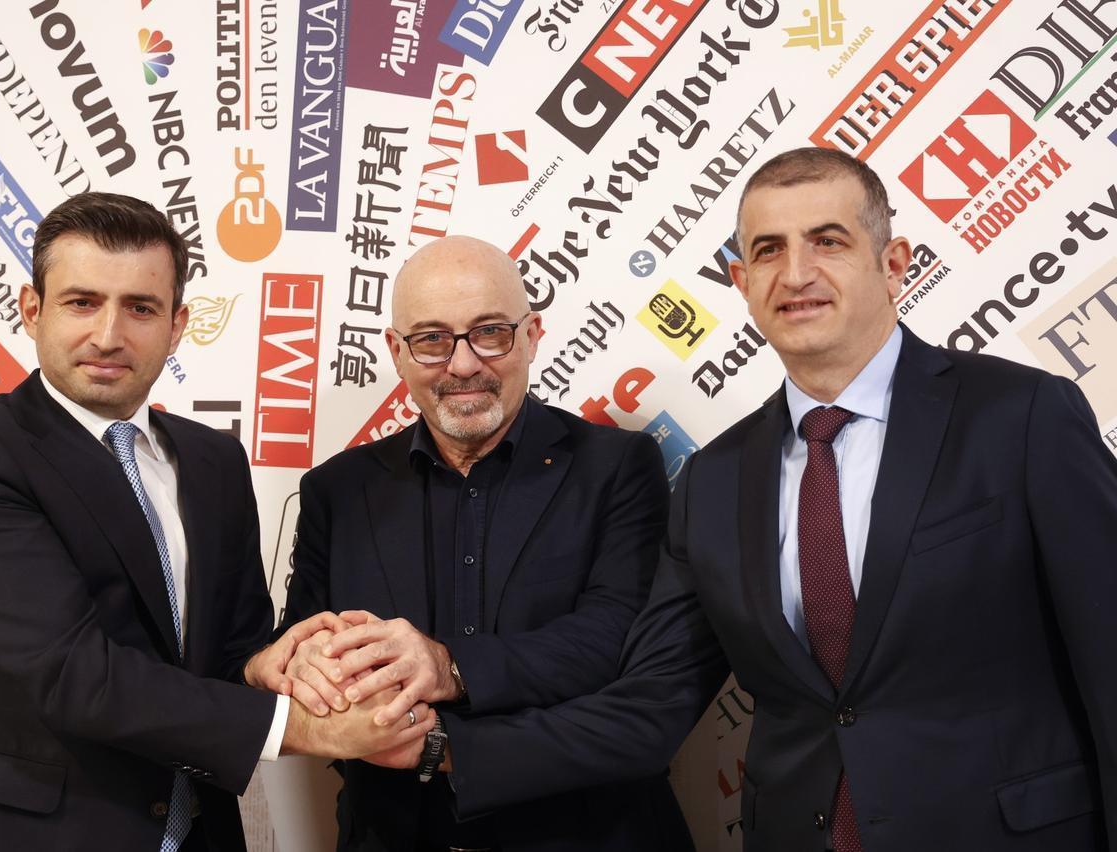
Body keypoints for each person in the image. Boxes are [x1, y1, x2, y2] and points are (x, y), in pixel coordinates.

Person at [424, 148, 1117, 851]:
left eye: (828, 241)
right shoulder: (713, 483)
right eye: (767, 250)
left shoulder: (1021, 416)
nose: (795, 273)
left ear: (894, 263)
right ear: (741, 281)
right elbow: (653, 703)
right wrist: (435, 746)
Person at [0, 193, 431, 852]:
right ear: (32, 310)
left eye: (140, 308)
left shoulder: (212, 460)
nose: (109, 335)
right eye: (82, 302)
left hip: (193, 832)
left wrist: (280, 664)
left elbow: (228, 652)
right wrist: (310, 729)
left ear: (177, 326)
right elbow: (73, 673)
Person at [265, 235, 682, 851]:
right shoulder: (336, 490)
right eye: (431, 339)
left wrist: (448, 667)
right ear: (397, 352)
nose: (463, 365)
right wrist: (304, 668)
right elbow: (303, 641)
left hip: (584, 833)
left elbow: (615, 641)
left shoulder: (619, 465)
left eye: (490, 332)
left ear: (533, 334)